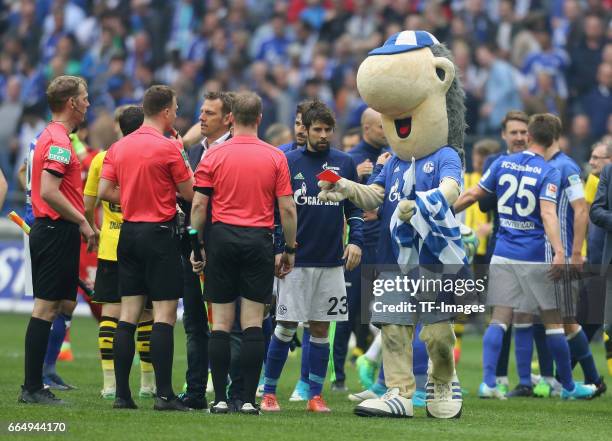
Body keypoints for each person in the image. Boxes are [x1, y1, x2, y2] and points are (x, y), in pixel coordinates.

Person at [454, 113, 596, 401]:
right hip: (534, 255)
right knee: (553, 321)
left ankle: (489, 383)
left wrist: (442, 213)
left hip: (503, 253)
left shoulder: (502, 163)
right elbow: (547, 212)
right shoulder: (549, 170)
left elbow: (472, 194)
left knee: (499, 318)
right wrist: (559, 251)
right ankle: (568, 387)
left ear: (529, 136)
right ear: (553, 139)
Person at [190, 91, 297, 415]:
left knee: (220, 324)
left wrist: (198, 245)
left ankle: (221, 398)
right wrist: (288, 249)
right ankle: (249, 399)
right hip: (258, 240)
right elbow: (288, 210)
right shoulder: (275, 156)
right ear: (260, 119)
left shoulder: (213, 156)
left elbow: (198, 205)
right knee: (252, 323)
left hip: (222, 237)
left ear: (232, 118)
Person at [261, 101, 363, 413]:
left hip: (331, 262)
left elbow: (354, 207)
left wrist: (356, 241)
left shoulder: (344, 163)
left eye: (327, 130)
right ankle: (269, 393)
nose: (322, 135)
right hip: (297, 261)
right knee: (286, 326)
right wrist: (280, 248)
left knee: (321, 328)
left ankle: (315, 396)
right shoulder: (287, 161)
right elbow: (277, 212)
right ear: (304, 128)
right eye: (316, 129)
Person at [99, 85, 194, 411]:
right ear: (166, 111)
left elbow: (104, 190)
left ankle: (123, 396)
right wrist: (181, 156)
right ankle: (164, 395)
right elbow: (190, 192)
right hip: (159, 233)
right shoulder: (168, 148)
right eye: (176, 108)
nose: (178, 113)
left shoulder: (119, 146)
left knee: (128, 314)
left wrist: (129, 199)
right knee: (164, 315)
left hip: (129, 233)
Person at [19, 75, 96, 405]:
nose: (88, 103)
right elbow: (49, 191)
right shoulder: (61, 143)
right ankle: (33, 387)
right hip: (55, 230)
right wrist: (83, 221)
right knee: (45, 309)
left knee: (58, 306)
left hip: (53, 231)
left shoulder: (48, 135)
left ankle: (38, 382)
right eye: (85, 97)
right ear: (72, 103)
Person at [83, 105, 157, 400]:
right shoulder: (148, 156)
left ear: (120, 127)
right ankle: (148, 382)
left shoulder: (103, 158)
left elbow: (89, 204)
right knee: (147, 315)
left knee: (111, 314)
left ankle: (110, 382)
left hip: (112, 244)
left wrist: (93, 230)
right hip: (144, 242)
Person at [176, 91, 233, 410]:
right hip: (192, 245)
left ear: (228, 118)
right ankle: (196, 390)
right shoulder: (194, 153)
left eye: (209, 113)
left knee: (229, 324)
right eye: (201, 111)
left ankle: (232, 389)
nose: (202, 117)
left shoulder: (236, 151)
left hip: (224, 246)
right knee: (195, 322)